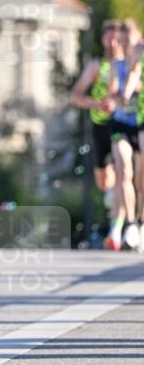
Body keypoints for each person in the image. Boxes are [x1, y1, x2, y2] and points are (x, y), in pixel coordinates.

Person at [69, 19, 122, 224]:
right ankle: (113, 198)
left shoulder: (129, 65)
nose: (112, 44)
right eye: (108, 39)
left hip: (122, 123)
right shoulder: (96, 66)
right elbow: (75, 96)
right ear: (103, 40)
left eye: (116, 40)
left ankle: (126, 223)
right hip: (100, 124)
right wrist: (96, 103)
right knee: (104, 181)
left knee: (124, 167)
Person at [104, 18, 142, 251]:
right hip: (121, 124)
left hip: (141, 123)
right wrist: (119, 95)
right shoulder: (116, 65)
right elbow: (113, 90)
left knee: (141, 180)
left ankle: (141, 221)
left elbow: (136, 77)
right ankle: (129, 223)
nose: (126, 45)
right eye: (123, 41)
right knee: (124, 167)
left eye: (130, 41)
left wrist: (135, 88)